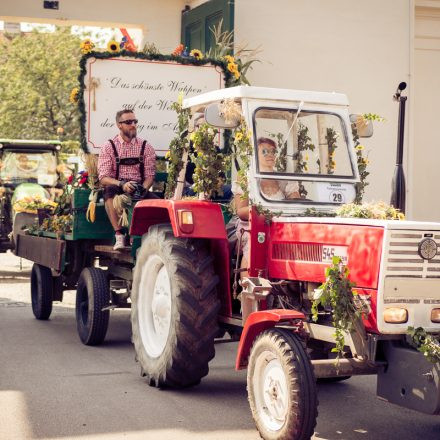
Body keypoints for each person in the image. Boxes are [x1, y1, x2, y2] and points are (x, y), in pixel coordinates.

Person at [232, 137, 300, 276]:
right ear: (255, 155)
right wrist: (264, 213)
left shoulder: (282, 179)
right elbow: (241, 211)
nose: (270, 154)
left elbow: (295, 204)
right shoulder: (246, 177)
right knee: (255, 247)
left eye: (272, 151)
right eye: (264, 151)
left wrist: (294, 201)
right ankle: (249, 288)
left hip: (280, 227)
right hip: (254, 226)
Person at [98, 109, 156, 250]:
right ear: (119, 125)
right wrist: (122, 184)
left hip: (138, 186)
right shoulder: (109, 146)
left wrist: (143, 188)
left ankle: (143, 237)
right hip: (117, 185)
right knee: (109, 191)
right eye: (129, 122)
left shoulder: (145, 146)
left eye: (135, 121)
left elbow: (150, 176)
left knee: (158, 204)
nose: (133, 125)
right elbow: (103, 177)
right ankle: (119, 235)